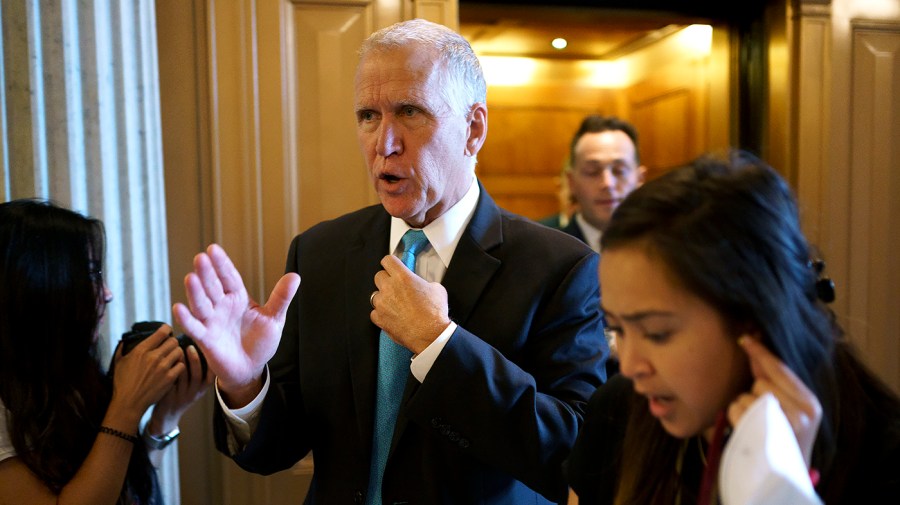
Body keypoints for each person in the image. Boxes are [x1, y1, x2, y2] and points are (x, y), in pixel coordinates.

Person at [173, 18, 607, 505]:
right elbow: (278, 448)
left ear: (474, 129)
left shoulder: (560, 267)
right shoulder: (319, 254)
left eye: (409, 112)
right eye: (368, 116)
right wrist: (244, 383)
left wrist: (439, 346)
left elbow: (574, 451)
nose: (385, 143)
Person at [565, 150, 900, 504]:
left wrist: (782, 492)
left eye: (657, 333)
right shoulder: (617, 411)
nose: (631, 367)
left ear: (754, 319)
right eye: (618, 329)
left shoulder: (882, 454)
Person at [0, 199, 210, 505]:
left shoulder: (65, 377)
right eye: (90, 275)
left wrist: (165, 417)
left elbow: (121, 490)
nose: (108, 294)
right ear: (36, 283)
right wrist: (125, 407)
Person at [562, 114, 646, 253]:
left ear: (640, 179)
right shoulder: (549, 253)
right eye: (592, 172)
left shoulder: (665, 251)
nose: (608, 183)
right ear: (571, 182)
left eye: (619, 171)